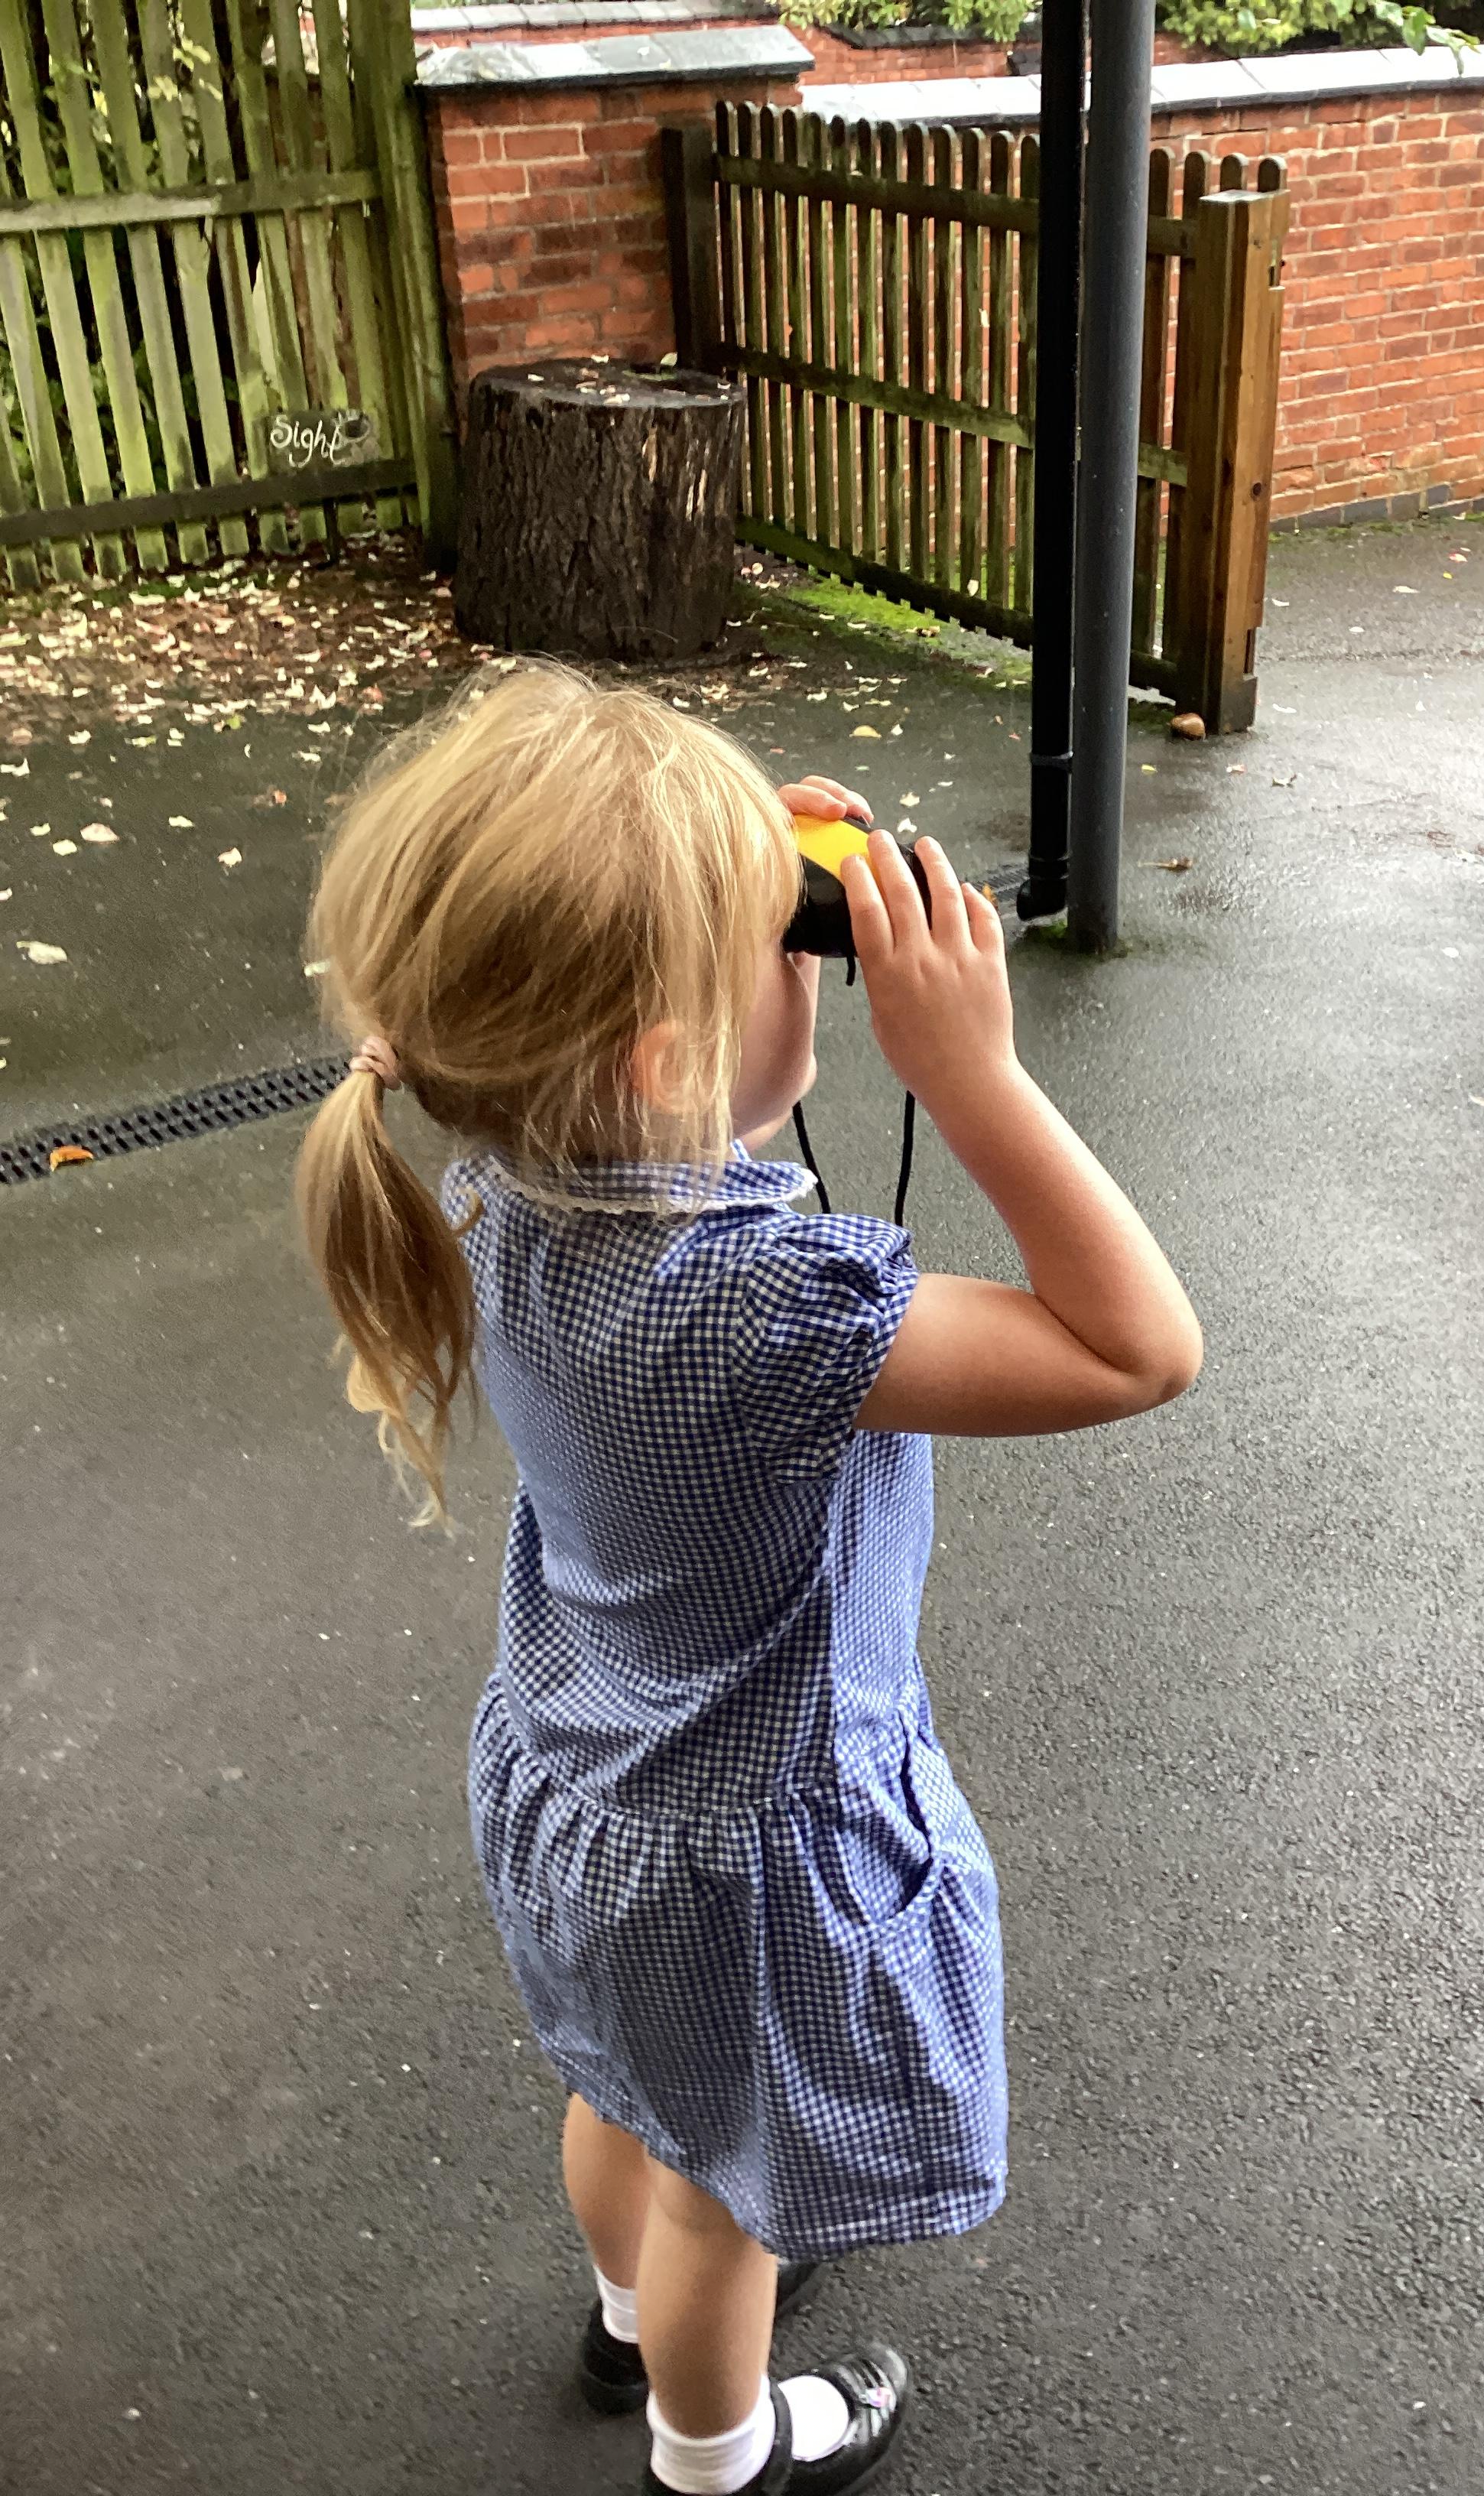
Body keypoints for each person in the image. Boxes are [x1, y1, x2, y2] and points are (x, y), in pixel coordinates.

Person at [296, 667, 1202, 2496]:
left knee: (627, 2094)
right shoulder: (763, 1315)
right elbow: (1137, 1348)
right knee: (729, 2199)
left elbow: (578, 991)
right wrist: (973, 1078)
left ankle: (623, 2316)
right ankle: (717, 2451)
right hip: (745, 1864)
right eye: (785, 947)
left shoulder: (484, 1177)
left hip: (582, 1790)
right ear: (662, 1062)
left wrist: (706, 870)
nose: (818, 964)